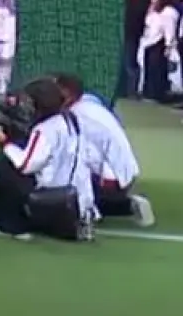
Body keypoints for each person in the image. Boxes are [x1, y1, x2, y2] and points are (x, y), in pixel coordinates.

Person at [0, 76, 95, 242]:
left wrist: (5, 143)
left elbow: (25, 165)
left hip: (55, 202)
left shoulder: (45, 130)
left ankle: (12, 226)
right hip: (80, 199)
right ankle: (80, 219)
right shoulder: (72, 120)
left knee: (5, 170)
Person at [55, 73, 154, 227]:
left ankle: (124, 205)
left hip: (112, 177)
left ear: (68, 93)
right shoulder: (89, 103)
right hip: (121, 172)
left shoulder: (79, 115)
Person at [137, 0, 177, 103]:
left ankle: (157, 94)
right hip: (148, 41)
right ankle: (148, 92)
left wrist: (169, 45)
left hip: (159, 43)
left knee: (157, 69)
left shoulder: (168, 12)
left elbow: (169, 29)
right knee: (149, 68)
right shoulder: (153, 10)